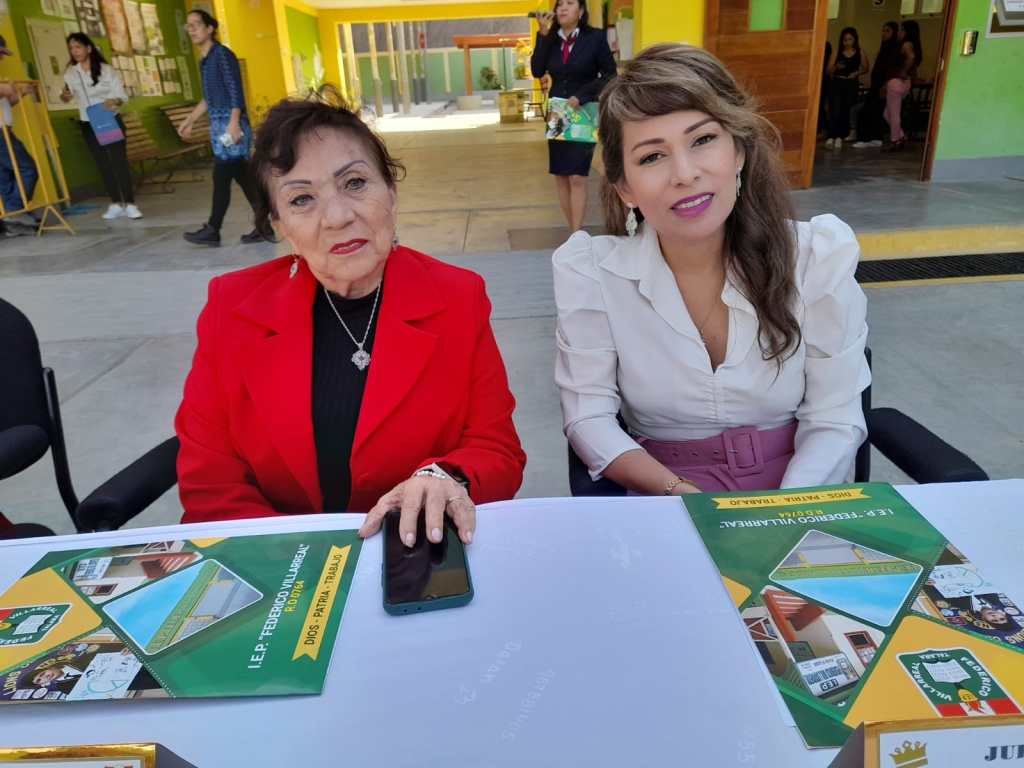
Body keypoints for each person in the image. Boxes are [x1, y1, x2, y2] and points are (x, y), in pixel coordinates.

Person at [175, 91, 527, 548]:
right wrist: (299, 563)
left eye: (356, 183)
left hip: (412, 551)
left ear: (391, 192)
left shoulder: (459, 297)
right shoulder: (232, 307)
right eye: (302, 199)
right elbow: (210, 486)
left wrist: (447, 477)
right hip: (280, 564)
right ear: (280, 225)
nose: (338, 217)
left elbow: (496, 449)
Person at [553, 44, 870, 495]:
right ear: (625, 188)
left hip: (800, 489)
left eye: (702, 140)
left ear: (738, 151)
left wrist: (782, 513)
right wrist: (681, 494)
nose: (685, 174)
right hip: (664, 494)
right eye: (652, 157)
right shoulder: (591, 273)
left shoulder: (816, 256)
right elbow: (588, 418)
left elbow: (835, 419)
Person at [530, 0, 616, 233]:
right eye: (559, 4)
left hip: (583, 111)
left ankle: (577, 233)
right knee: (561, 175)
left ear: (581, 11)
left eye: (570, 3)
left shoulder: (595, 38)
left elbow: (610, 75)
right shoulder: (550, 39)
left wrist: (583, 95)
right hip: (558, 112)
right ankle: (573, 232)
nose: (563, 8)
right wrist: (542, 35)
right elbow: (537, 70)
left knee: (577, 176)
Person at [178, 10, 262, 246]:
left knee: (222, 175)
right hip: (218, 127)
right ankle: (264, 227)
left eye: (196, 24)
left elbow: (235, 91)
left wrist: (234, 123)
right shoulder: (204, 60)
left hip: (230, 126)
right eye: (188, 26)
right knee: (243, 177)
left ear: (209, 28)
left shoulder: (222, 54)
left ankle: (213, 229)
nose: (192, 30)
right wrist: (189, 120)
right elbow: (209, 98)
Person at [61, 33, 142, 220]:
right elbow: (66, 97)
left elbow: (122, 97)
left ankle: (130, 204)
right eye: (71, 48)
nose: (75, 51)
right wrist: (64, 96)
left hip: (108, 120)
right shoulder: (70, 73)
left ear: (88, 48)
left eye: (78, 47)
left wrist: (113, 101)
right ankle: (116, 203)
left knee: (118, 162)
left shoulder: (106, 70)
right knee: (103, 164)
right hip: (88, 123)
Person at [0, 37, 40, 237]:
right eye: (0, 53)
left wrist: (21, 93)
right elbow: (5, 90)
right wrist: (14, 87)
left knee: (6, 177)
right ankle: (15, 212)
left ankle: (13, 220)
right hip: (1, 134)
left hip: (4, 129)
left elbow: (6, 102)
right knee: (27, 168)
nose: (2, 58)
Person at [853, 21, 899, 149]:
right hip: (876, 85)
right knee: (873, 111)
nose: (883, 33)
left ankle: (866, 138)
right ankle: (875, 138)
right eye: (883, 30)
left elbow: (891, 70)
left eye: (887, 31)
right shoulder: (884, 48)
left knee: (869, 111)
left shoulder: (893, 49)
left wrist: (884, 85)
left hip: (882, 85)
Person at [883, 20, 922, 152]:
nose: (898, 32)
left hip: (896, 82)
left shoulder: (906, 44)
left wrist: (903, 71)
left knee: (894, 114)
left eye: (901, 29)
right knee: (887, 114)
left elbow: (911, 57)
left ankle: (895, 140)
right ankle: (901, 136)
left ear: (906, 31)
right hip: (904, 83)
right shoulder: (912, 44)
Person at [825, 27, 867, 149]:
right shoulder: (837, 52)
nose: (847, 42)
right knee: (835, 109)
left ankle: (840, 136)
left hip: (851, 84)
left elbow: (865, 67)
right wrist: (836, 67)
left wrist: (856, 73)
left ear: (855, 40)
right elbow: (828, 71)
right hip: (837, 83)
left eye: (850, 39)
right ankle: (831, 136)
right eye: (845, 40)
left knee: (846, 109)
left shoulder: (860, 52)